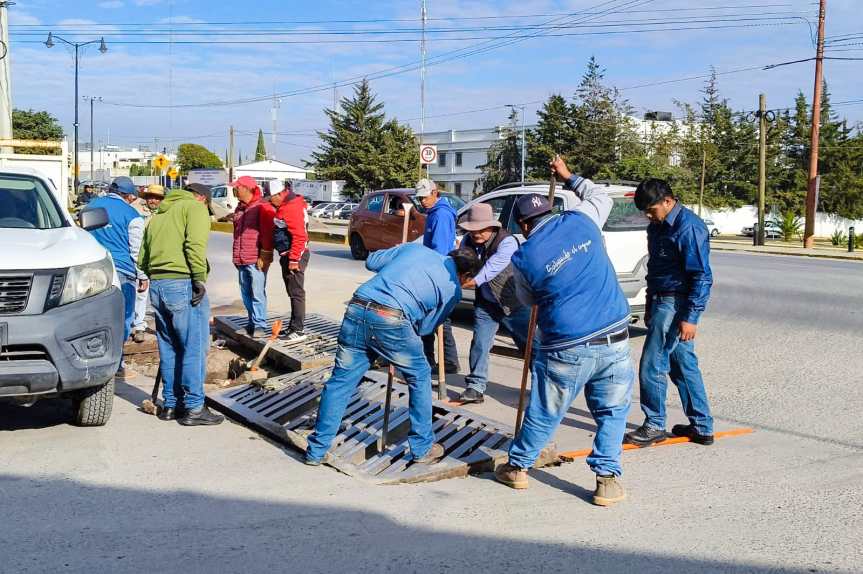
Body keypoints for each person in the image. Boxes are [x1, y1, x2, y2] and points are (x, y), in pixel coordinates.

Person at [494, 157, 635, 507]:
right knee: (612, 412)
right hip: (615, 336)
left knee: (545, 411)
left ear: (525, 225)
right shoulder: (581, 220)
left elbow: (529, 299)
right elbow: (600, 195)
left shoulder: (524, 258)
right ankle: (607, 481)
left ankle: (518, 468)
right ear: (551, 211)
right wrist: (570, 177)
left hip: (566, 345)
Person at [305, 244, 483, 466]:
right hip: (391, 318)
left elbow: (372, 261)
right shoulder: (453, 289)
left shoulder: (416, 250)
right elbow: (426, 328)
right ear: (465, 274)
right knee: (420, 375)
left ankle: (316, 450)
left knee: (341, 381)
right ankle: (422, 447)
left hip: (358, 305)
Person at [624, 179, 715, 447]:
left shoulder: (688, 227)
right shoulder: (658, 226)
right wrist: (650, 304)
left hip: (677, 304)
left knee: (652, 365)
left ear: (668, 201)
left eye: (652, 210)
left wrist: (691, 318)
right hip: (662, 300)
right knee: (683, 367)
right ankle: (701, 426)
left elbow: (701, 276)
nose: (649, 216)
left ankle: (654, 424)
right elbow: (656, 268)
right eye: (646, 212)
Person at [138, 183, 223, 426]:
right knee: (193, 347)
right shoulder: (193, 208)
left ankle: (171, 405)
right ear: (202, 198)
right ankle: (195, 407)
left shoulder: (158, 216)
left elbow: (142, 259)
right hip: (182, 284)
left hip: (158, 286)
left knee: (169, 347)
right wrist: (199, 279)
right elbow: (194, 246)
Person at [457, 202, 532, 404]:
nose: (476, 234)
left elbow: (490, 270)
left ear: (491, 227)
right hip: (486, 303)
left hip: (515, 303)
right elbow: (462, 263)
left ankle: (543, 386)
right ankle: (475, 387)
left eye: (480, 230)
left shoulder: (507, 242)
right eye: (472, 230)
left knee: (530, 347)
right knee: (480, 343)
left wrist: (470, 282)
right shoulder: (467, 241)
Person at [85, 176, 148, 379]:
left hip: (91, 270)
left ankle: (91, 362)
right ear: (129, 196)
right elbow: (137, 250)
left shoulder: (90, 207)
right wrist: (143, 275)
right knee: (122, 318)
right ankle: (117, 365)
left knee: (92, 319)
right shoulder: (132, 215)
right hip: (122, 272)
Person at [415, 178, 459, 374]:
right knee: (433, 318)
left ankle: (446, 361)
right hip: (434, 271)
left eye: (425, 197)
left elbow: (439, 250)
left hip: (438, 273)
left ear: (435, 194)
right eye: (420, 198)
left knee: (438, 318)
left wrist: (431, 274)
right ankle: (433, 359)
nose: (422, 201)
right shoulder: (434, 213)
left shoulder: (441, 215)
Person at [229, 176, 275, 338]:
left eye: (237, 188)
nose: (235, 190)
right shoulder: (240, 208)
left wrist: (265, 255)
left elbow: (267, 234)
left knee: (257, 293)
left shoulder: (261, 207)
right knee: (246, 293)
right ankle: (251, 323)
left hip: (255, 259)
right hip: (241, 258)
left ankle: (260, 324)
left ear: (247, 189)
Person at [270, 181, 311, 340]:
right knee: (292, 292)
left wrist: (294, 259)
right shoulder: (288, 205)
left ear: (279, 194)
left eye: (271, 198)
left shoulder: (291, 207)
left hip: (294, 256)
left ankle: (298, 330)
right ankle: (293, 327)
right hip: (288, 254)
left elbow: (301, 236)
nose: (270, 201)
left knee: (296, 292)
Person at [131, 184, 166, 344]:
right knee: (141, 292)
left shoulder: (166, 213)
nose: (153, 200)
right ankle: (139, 326)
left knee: (160, 294)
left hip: (160, 257)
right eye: (150, 197)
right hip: (142, 256)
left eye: (157, 197)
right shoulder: (136, 211)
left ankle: (164, 327)